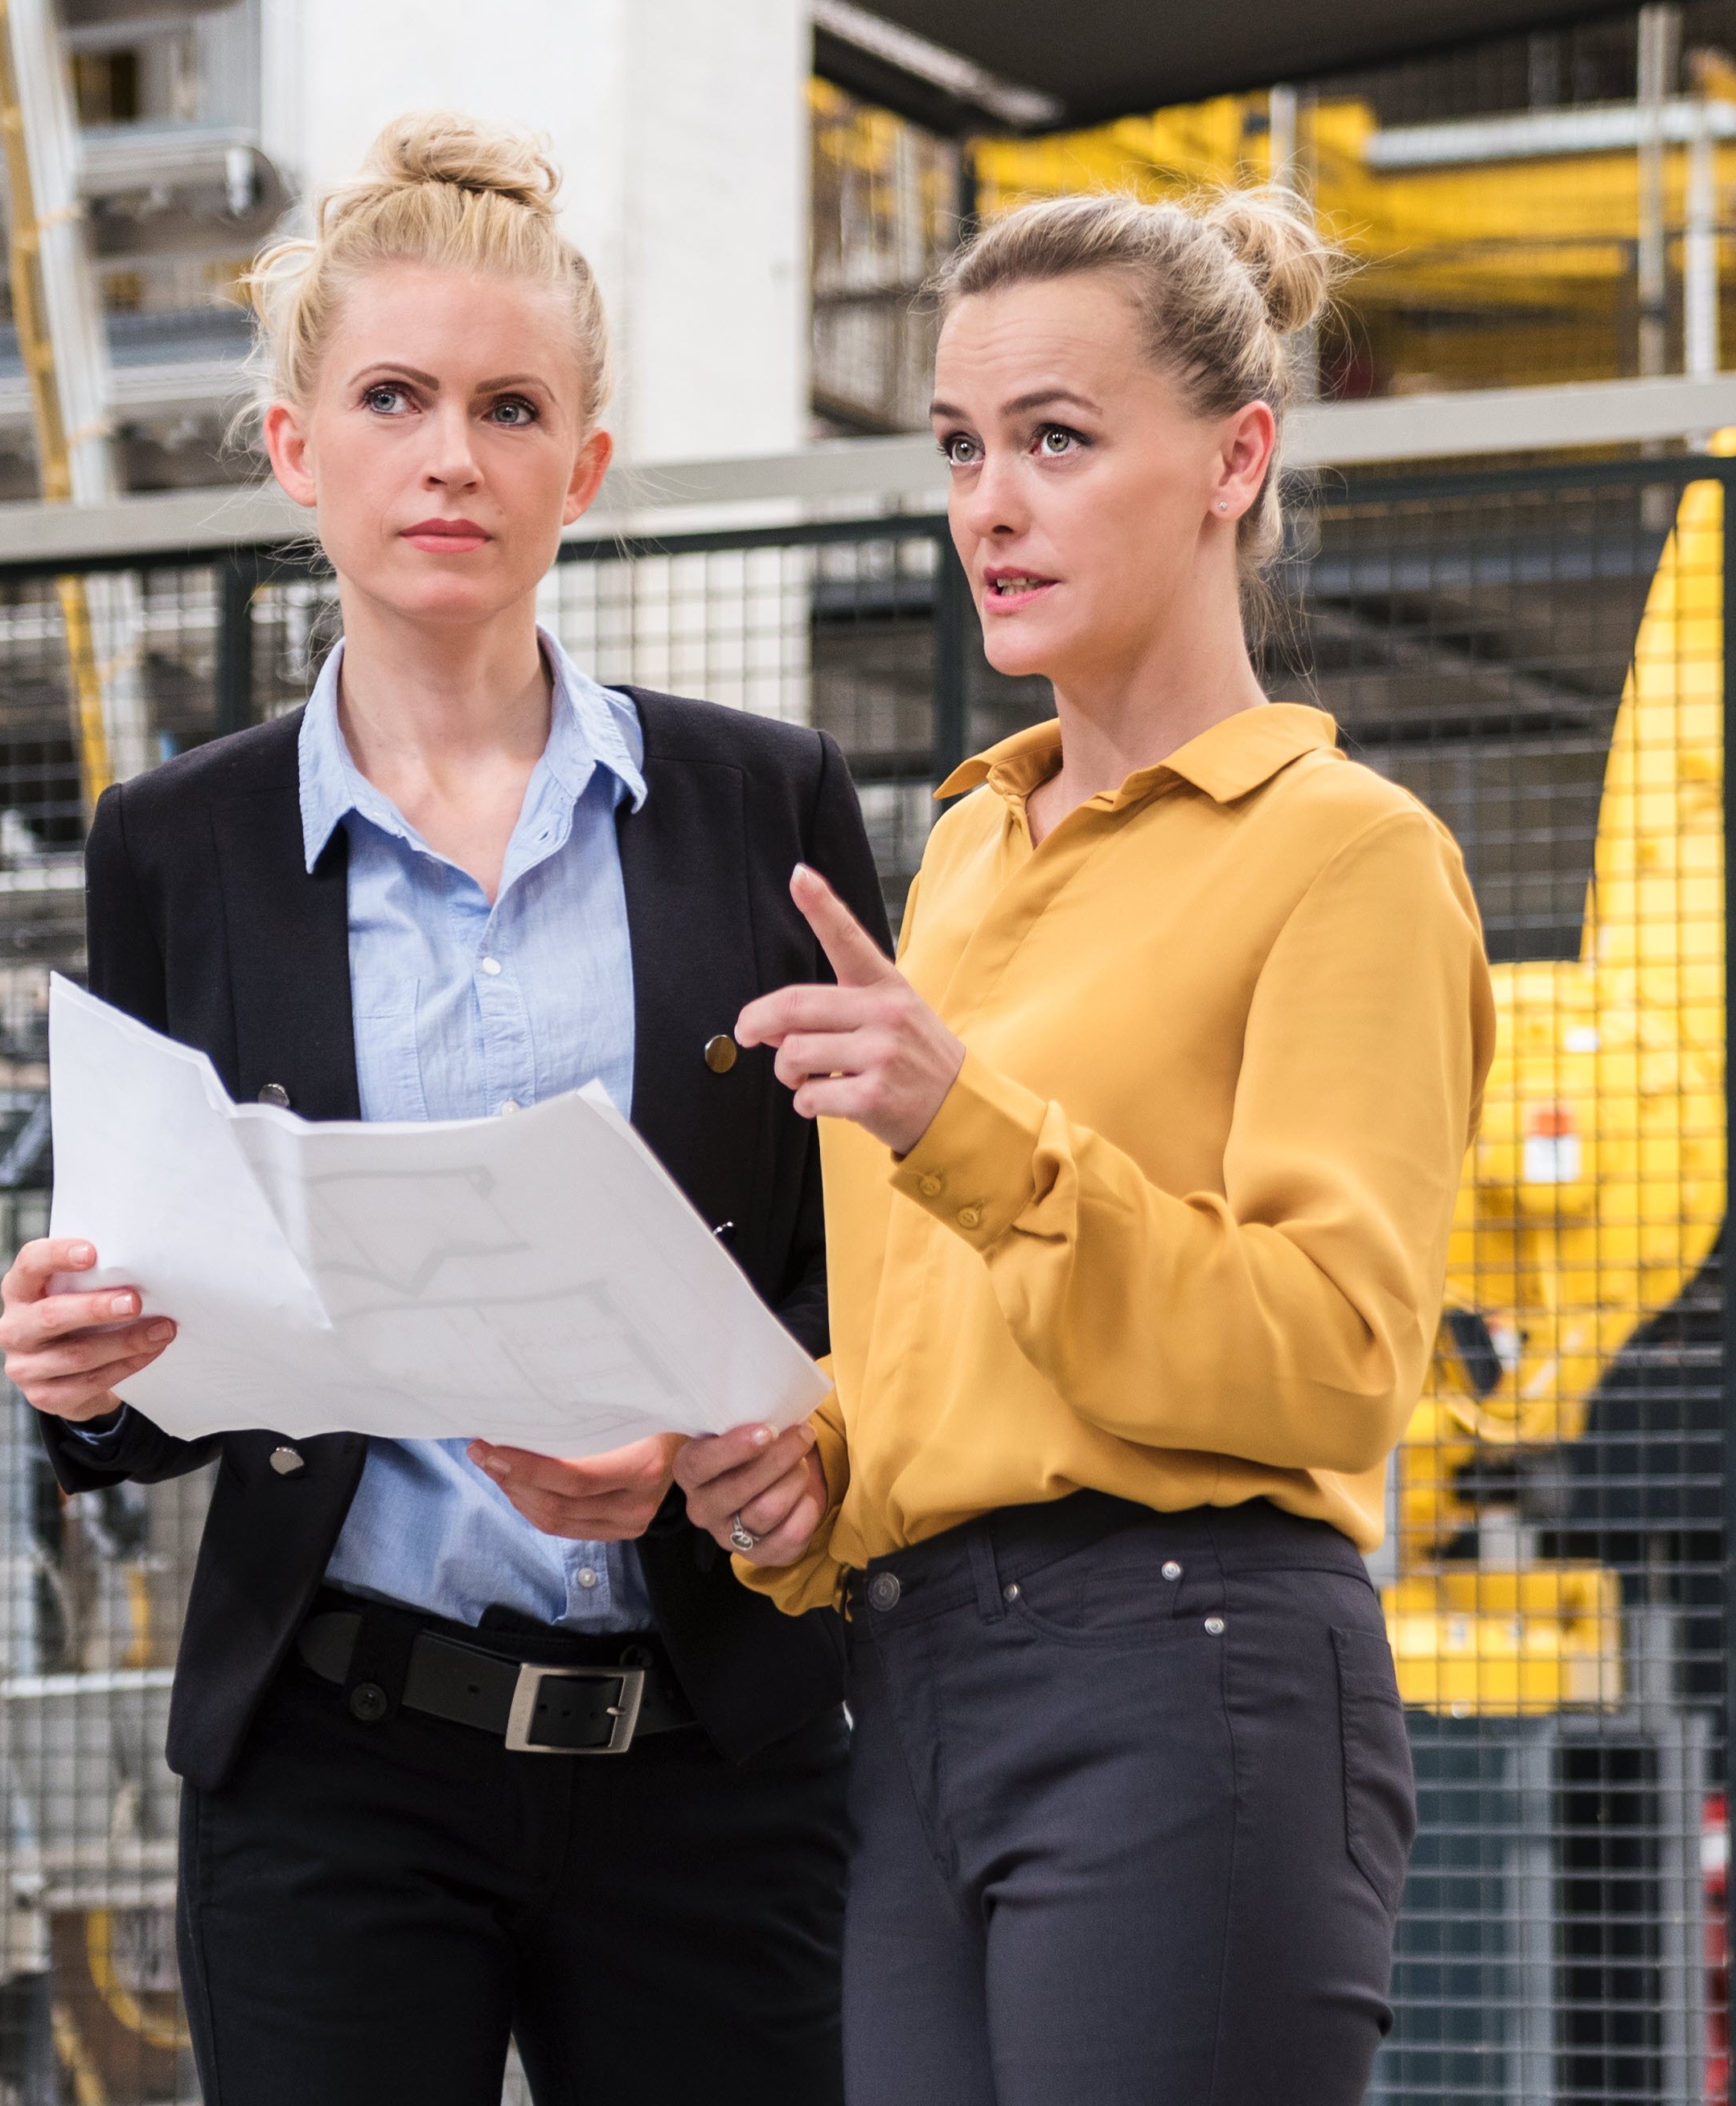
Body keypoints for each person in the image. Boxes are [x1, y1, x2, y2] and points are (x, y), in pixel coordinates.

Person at [0, 114, 884, 2106]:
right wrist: (78, 1369)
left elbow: (870, 1280)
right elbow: (155, 1322)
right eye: (392, 397)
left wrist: (751, 1440)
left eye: (508, 406)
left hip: (716, 1760)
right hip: (338, 1765)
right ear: (301, 448)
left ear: (586, 464)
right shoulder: (178, 846)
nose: (450, 455)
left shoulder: (764, 807)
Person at [668, 185, 1496, 2106]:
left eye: (1055, 438)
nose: (988, 506)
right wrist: (803, 1476)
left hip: (1185, 1676)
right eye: (960, 448)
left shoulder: (1347, 854)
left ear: (1236, 456)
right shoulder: (959, 857)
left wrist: (967, 1126)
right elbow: (947, 1357)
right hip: (918, 1686)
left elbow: (1330, 1362)